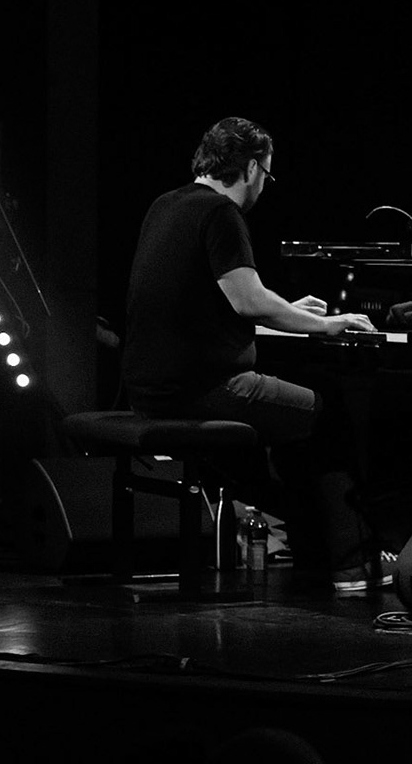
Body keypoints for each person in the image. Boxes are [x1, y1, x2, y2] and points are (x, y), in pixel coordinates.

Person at [121, 116, 389, 589]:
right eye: (266, 174)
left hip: (149, 390)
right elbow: (249, 302)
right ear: (248, 169)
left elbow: (217, 301)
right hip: (203, 391)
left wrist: (286, 309)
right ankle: (352, 564)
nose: (264, 187)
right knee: (328, 413)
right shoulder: (222, 214)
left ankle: (311, 550)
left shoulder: (166, 205)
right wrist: (326, 323)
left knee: (296, 419)